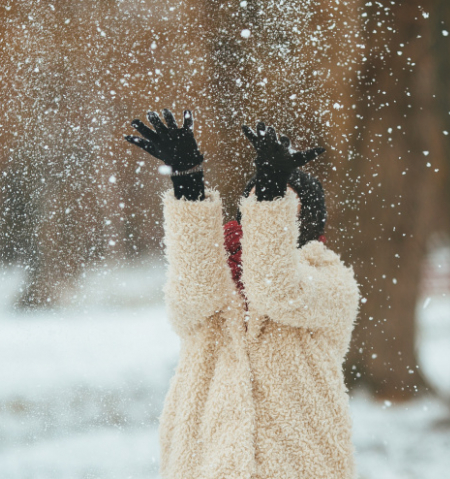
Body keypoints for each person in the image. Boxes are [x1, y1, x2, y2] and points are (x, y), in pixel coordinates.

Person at [125, 108, 361, 479]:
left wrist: (270, 191)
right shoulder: (213, 273)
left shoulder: (332, 283)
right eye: (259, 200)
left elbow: (278, 290)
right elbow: (192, 296)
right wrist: (188, 182)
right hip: (205, 458)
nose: (266, 211)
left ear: (306, 219)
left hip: (299, 464)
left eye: (282, 203)